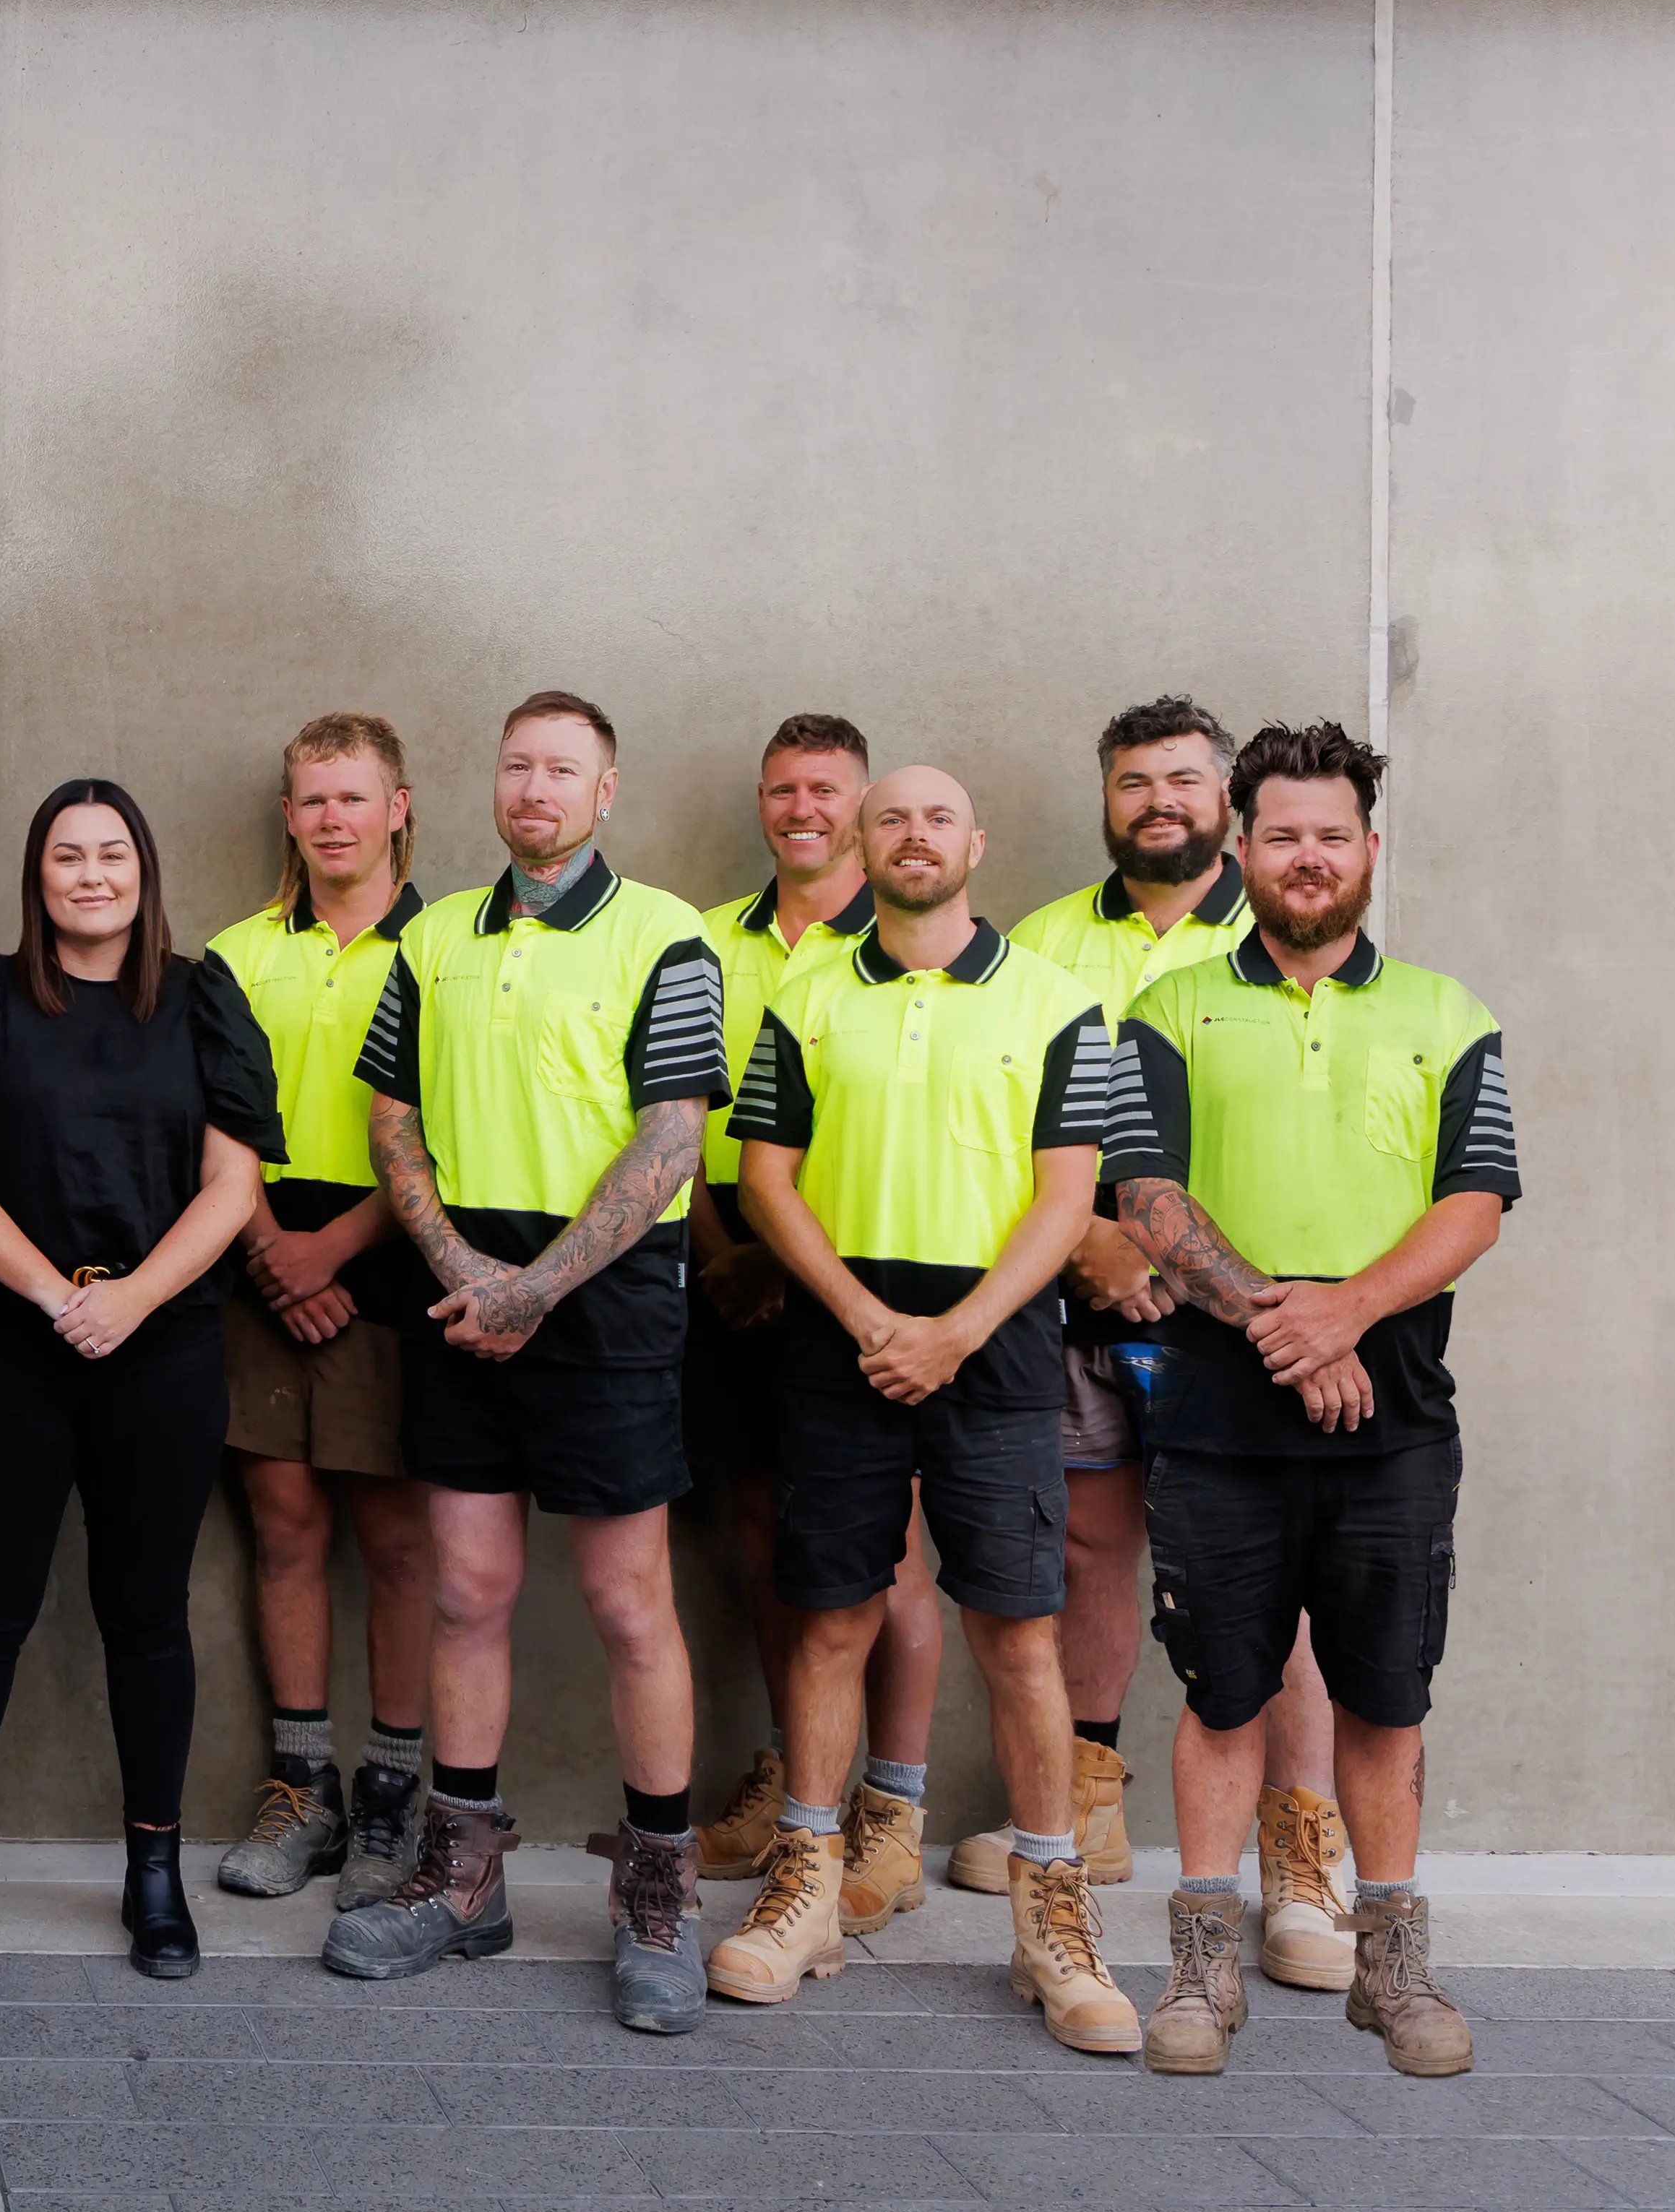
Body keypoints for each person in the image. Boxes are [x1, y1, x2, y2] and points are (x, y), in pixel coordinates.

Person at [705, 769, 1139, 2054]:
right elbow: (768, 1183)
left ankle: (1052, 1922)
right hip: (845, 1340)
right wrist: (867, 1324)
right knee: (831, 1621)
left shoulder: (1056, 1003)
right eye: (890, 818)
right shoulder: (804, 995)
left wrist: (953, 1333)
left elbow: (1071, 1200)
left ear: (974, 843)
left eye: (937, 818)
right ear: (861, 839)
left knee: (1018, 1634)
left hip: (995, 1348)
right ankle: (810, 1894)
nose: (911, 836)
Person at [1108, 720, 1514, 2080]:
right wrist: (1296, 1326)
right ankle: (1200, 1975)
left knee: (1386, 1698)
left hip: (1395, 1423)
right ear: (1243, 842)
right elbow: (1149, 1199)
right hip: (1219, 1427)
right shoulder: (1168, 1009)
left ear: (1369, 852)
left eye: (1331, 835)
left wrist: (1349, 1310)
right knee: (1223, 1698)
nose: (1307, 857)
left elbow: (1475, 1206)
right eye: (1281, 833)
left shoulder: (1450, 1015)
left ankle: (1391, 1971)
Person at [323, 690, 723, 2036]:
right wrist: (465, 1276)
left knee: (625, 1603)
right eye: (516, 766)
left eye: (563, 770)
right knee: (469, 1590)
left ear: (605, 791)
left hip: (607, 1298)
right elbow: (394, 1121)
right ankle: (463, 1880)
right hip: (467, 1290)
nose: (535, 788)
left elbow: (674, 1140)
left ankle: (656, 1895)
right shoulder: (432, 936)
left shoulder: (664, 934)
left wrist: (541, 1287)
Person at [985, 697, 1356, 1995]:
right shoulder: (1035, 942)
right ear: (1106, 799)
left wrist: (1204, 1270)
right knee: (1089, 1545)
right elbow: (1005, 1123)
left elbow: (1320, 1143)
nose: (1160, 802)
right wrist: (1095, 1240)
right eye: (1135, 782)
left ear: (1230, 810)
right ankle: (1090, 1797)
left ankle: (1301, 1852)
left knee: (1282, 1584)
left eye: (1185, 782)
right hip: (1080, 1301)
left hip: (1245, 1322)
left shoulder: (1289, 940)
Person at [0, 779, 280, 1984]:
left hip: (159, 1348)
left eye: (112, 853)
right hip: (9, 1346)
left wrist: (129, 1299)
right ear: (39, 876)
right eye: (67, 856)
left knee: (148, 1617)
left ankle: (153, 1878)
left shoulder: (205, 1000)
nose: (91, 875)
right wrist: (55, 1295)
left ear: (143, 869)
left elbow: (231, 1189)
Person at [685, 716, 947, 1940]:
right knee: (758, 1531)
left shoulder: (897, 940)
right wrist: (727, 1254)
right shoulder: (707, 940)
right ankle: (805, 1785)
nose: (803, 808)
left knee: (881, 1556)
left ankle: (888, 1814)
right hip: (733, 1257)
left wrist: (817, 1270)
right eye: (782, 787)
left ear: (865, 807)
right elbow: (671, 1115)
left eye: (827, 790)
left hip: (865, 1270)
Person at [204, 716, 439, 1911]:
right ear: (290, 816)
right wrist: (270, 1253)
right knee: (284, 1523)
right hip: (258, 1259)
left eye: (354, 798)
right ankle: (303, 1785)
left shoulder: (450, 948)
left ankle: (395, 1795)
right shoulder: (233, 956)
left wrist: (336, 1250)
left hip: (396, 1258)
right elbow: (212, 1129)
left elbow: (451, 1127)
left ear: (398, 806)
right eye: (312, 801)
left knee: (399, 1540)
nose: (332, 819)